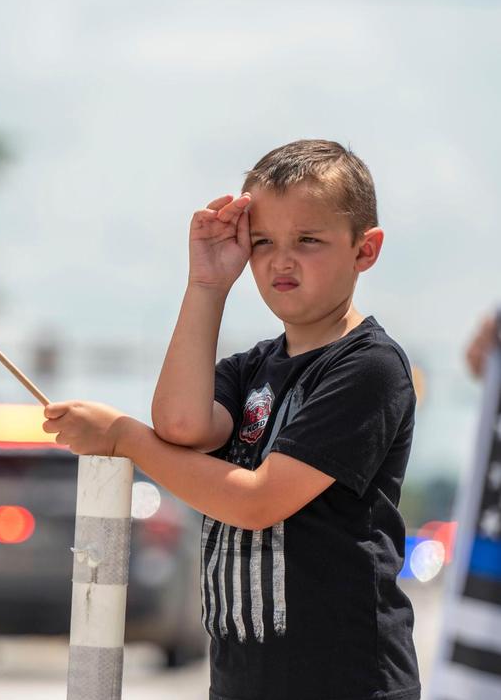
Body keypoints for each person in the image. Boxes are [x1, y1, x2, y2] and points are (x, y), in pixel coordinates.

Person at [43, 140, 419, 700]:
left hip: (346, 679)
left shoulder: (369, 366)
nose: (280, 260)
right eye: (263, 242)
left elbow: (256, 501)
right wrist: (207, 285)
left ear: (365, 251)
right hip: (243, 681)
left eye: (308, 240)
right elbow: (181, 426)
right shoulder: (253, 368)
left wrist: (124, 440)